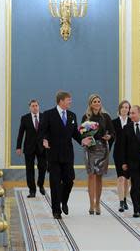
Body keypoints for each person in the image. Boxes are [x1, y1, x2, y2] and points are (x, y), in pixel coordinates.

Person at [41, 91, 91, 219]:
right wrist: (44, 140)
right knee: (55, 182)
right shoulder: (48, 114)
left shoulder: (71, 115)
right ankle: (56, 210)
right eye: (68, 100)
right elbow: (42, 131)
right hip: (53, 154)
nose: (70, 102)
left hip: (68, 154)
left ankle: (64, 200)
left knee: (69, 180)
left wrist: (82, 141)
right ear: (61, 101)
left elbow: (75, 133)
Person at [81, 94, 115, 215]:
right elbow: (82, 133)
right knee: (91, 175)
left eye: (98, 101)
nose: (97, 103)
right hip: (90, 148)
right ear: (90, 104)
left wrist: (109, 136)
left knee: (99, 176)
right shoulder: (86, 117)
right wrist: (85, 138)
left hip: (102, 148)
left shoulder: (106, 117)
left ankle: (98, 204)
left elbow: (112, 132)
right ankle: (91, 204)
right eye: (94, 101)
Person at [16, 99, 47, 198]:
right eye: (33, 106)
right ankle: (32, 190)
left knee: (43, 167)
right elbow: (21, 133)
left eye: (36, 105)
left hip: (42, 147)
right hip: (29, 147)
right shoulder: (25, 118)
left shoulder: (44, 117)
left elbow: (48, 131)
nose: (35, 107)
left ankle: (40, 184)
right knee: (29, 170)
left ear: (39, 106)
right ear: (30, 107)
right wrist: (18, 147)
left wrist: (47, 141)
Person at [110, 100, 131, 212]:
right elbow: (111, 139)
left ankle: (125, 199)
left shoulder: (132, 122)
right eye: (123, 107)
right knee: (120, 177)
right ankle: (121, 202)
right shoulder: (114, 122)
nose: (124, 109)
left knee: (127, 178)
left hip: (129, 153)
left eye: (127, 107)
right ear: (119, 109)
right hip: (118, 152)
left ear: (129, 109)